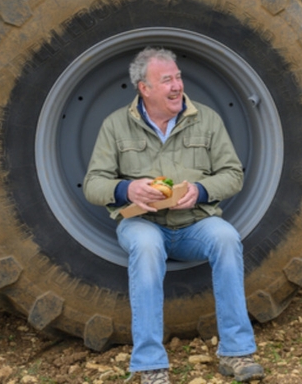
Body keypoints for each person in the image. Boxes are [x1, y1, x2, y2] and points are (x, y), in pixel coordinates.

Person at [84, 47, 264, 384]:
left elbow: (233, 174)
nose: (177, 85)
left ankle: (237, 353)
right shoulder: (115, 125)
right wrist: (128, 190)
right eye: (166, 80)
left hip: (195, 223)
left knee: (226, 237)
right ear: (144, 88)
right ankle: (150, 365)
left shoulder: (207, 119)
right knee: (148, 247)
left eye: (178, 77)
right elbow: (93, 184)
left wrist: (200, 190)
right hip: (142, 224)